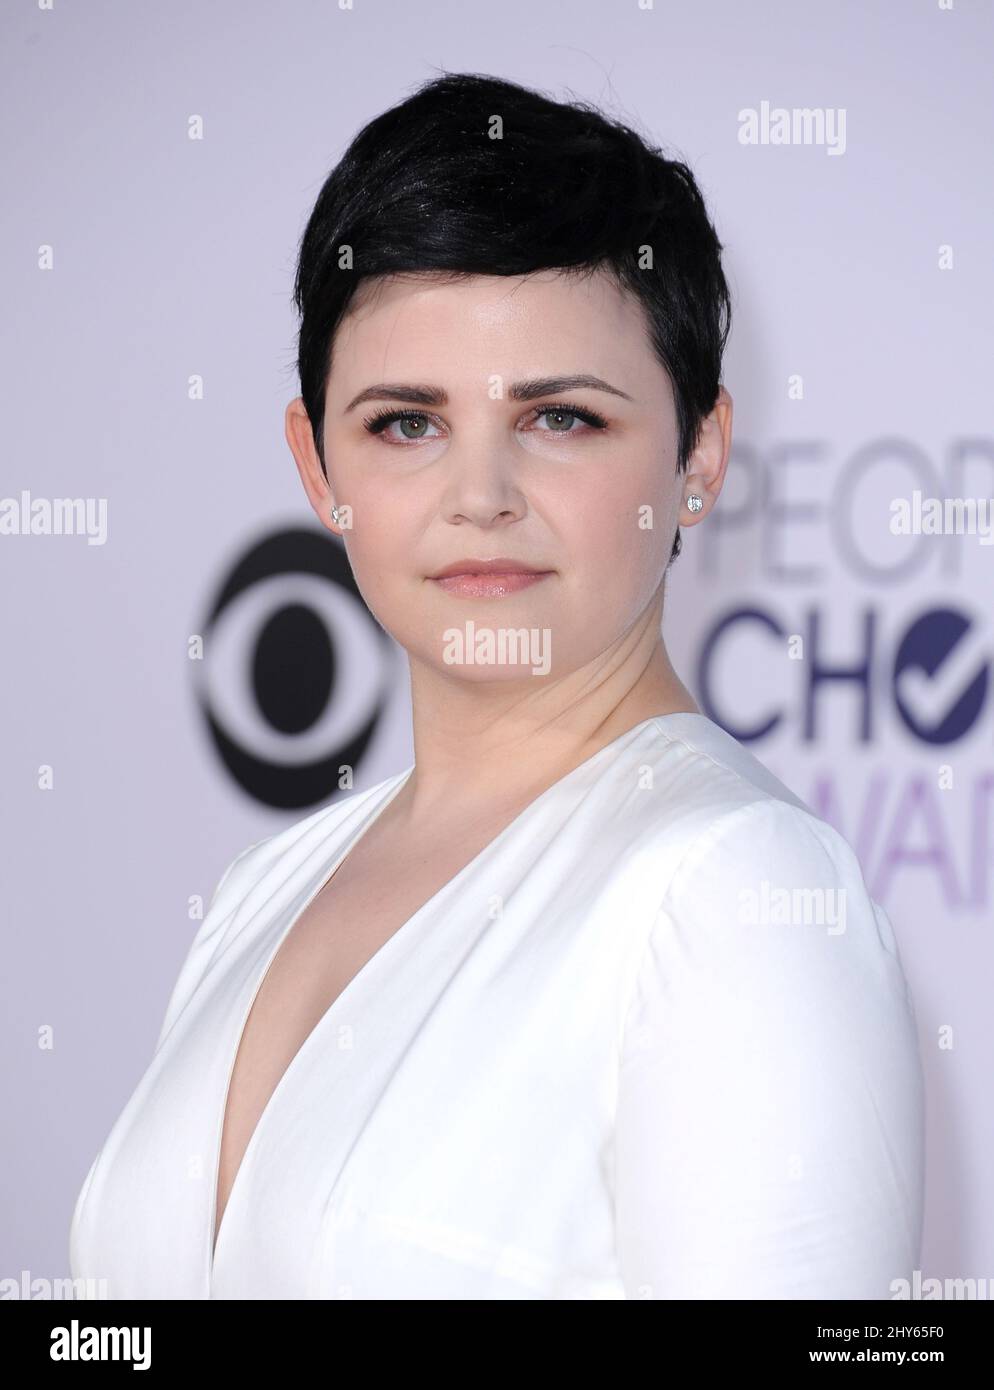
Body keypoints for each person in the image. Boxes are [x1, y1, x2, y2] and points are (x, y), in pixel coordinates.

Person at [69, 71, 924, 1299]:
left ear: (698, 454)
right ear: (317, 466)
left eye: (559, 418)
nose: (481, 496)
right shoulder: (264, 889)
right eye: (405, 423)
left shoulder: (739, 893)